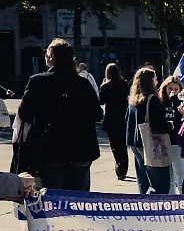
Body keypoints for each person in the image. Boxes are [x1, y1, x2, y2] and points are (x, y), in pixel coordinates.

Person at [18, 39, 103, 190]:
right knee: (79, 201)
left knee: (53, 202)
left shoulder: (38, 81)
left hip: (51, 149)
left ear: (52, 58)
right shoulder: (83, 83)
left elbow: (24, 113)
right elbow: (97, 114)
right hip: (80, 150)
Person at [129, 68, 173, 194]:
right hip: (150, 143)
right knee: (159, 181)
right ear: (150, 81)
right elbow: (158, 125)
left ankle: (143, 205)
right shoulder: (152, 99)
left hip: (135, 142)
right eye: (155, 78)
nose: (157, 81)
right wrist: (169, 126)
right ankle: (157, 206)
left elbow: (129, 121)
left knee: (143, 180)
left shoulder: (133, 99)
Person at [98, 63, 130, 180]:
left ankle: (119, 166)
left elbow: (101, 102)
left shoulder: (105, 86)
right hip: (123, 117)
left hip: (111, 118)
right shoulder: (124, 84)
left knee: (114, 145)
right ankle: (124, 168)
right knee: (123, 144)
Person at [158, 77, 184, 194]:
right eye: (170, 88)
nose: (173, 91)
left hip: (177, 144)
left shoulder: (182, 103)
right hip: (163, 143)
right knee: (168, 179)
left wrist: (176, 101)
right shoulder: (160, 103)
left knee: (180, 177)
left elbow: (181, 122)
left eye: (176, 89)